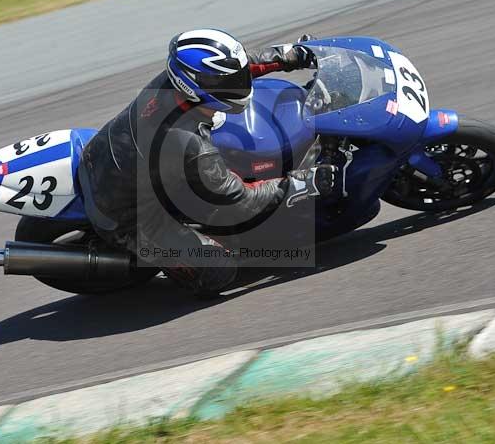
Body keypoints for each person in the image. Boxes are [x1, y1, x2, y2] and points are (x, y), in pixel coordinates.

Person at [78, 29, 337, 297]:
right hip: (125, 214)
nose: (241, 82)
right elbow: (239, 198)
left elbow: (238, 67)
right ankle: (173, 259)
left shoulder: (178, 79)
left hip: (109, 155)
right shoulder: (189, 143)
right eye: (231, 80)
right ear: (198, 86)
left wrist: (289, 55)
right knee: (219, 270)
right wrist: (301, 183)